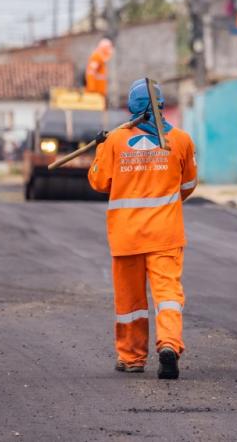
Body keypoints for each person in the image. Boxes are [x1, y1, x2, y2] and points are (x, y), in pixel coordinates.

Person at [88, 79, 198, 378]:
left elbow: (99, 183)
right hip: (165, 235)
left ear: (132, 109)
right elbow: (187, 185)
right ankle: (169, 346)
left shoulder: (115, 141)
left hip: (126, 238)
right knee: (168, 296)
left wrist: (100, 150)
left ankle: (132, 358)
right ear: (161, 106)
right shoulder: (182, 140)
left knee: (130, 303)